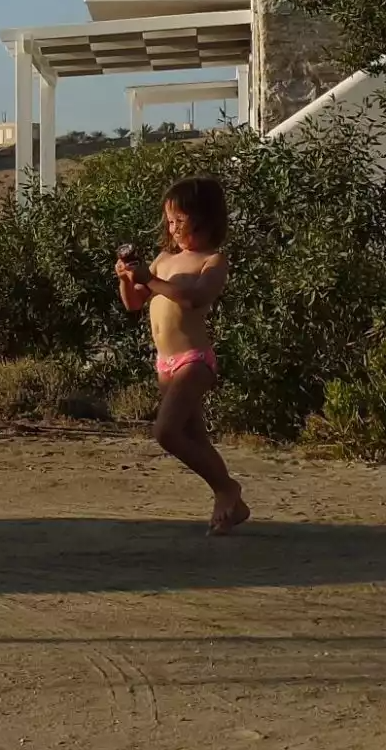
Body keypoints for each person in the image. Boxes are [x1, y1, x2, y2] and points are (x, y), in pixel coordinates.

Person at [115, 176, 249, 534]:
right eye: (169, 221)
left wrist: (149, 278)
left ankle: (228, 488)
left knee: (166, 432)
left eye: (180, 220)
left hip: (194, 360)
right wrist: (127, 279)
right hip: (165, 363)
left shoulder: (212, 261)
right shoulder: (164, 259)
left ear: (204, 218)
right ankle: (232, 503)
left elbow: (194, 298)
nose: (172, 228)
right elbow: (134, 304)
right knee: (195, 438)